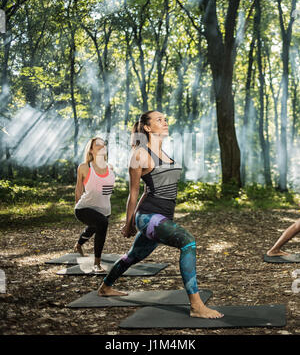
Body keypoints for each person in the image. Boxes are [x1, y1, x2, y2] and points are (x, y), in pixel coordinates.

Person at [97, 111, 224, 319]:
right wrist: (129, 223)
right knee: (188, 242)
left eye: (165, 119)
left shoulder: (163, 151)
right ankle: (196, 306)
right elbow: (134, 194)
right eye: (159, 120)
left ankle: (105, 287)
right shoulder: (140, 154)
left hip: (162, 217)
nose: (165, 122)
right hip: (148, 217)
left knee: (133, 256)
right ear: (147, 128)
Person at [74, 137, 115, 273]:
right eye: (98, 144)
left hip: (104, 209)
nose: (102, 145)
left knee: (93, 228)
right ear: (91, 150)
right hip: (84, 208)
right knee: (101, 224)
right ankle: (96, 263)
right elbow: (79, 189)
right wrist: (76, 205)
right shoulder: (84, 167)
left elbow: (107, 190)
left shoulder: (110, 168)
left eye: (104, 143)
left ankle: (78, 245)